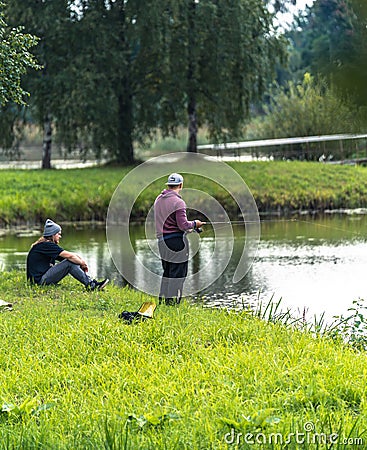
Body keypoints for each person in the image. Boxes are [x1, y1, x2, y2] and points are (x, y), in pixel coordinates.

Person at [154, 173, 205, 305]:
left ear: (168, 184)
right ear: (181, 185)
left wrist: (190, 228)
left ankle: (163, 300)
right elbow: (183, 225)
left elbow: (172, 224)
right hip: (177, 243)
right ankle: (171, 304)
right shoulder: (179, 202)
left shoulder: (158, 199)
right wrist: (195, 224)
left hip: (162, 242)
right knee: (178, 273)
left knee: (168, 271)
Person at [26, 219, 109, 290]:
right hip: (39, 282)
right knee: (70, 262)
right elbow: (70, 256)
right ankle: (91, 285)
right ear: (52, 235)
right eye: (58, 234)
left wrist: (80, 261)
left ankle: (90, 282)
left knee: (71, 261)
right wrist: (82, 263)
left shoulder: (45, 245)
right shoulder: (46, 245)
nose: (60, 236)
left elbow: (71, 257)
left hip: (38, 280)